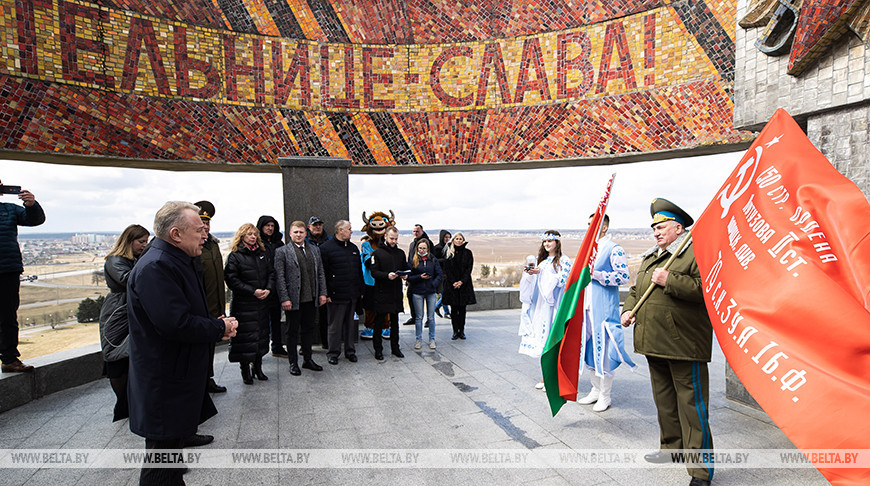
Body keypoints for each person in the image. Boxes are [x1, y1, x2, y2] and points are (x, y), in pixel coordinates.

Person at [127, 201, 237, 485]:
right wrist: (218, 327)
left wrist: (214, 325)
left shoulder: (173, 259)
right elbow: (174, 323)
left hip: (175, 376)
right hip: (165, 381)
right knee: (161, 466)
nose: (206, 235)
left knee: (170, 463)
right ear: (176, 234)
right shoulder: (156, 266)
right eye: (199, 229)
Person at [621, 198, 714, 486]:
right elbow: (638, 289)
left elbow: (706, 290)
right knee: (665, 401)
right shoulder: (652, 256)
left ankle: (701, 471)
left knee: (692, 406)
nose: (656, 233)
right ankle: (671, 449)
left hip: (684, 344)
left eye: (661, 227)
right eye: (654, 229)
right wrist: (628, 308)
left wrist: (670, 279)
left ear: (678, 227)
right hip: (654, 341)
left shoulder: (694, 253)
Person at [578, 215, 636, 412]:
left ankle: (605, 395)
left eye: (592, 224)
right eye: (587, 224)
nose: (589, 228)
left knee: (603, 353)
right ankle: (595, 389)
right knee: (589, 351)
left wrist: (598, 274)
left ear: (603, 227)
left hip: (603, 309)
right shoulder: (588, 250)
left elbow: (623, 277)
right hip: (586, 308)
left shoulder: (613, 249)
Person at [99, 224, 149, 421]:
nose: (144, 246)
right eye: (140, 242)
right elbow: (129, 279)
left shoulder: (136, 259)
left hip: (131, 309)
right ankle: (123, 404)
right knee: (116, 357)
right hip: (117, 312)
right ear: (129, 241)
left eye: (146, 242)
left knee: (130, 356)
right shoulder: (115, 260)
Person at [0, 180, 45, 373]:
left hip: (7, 269)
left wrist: (31, 205)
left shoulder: (10, 209)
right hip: (9, 268)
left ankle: (10, 359)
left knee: (8, 316)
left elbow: (35, 220)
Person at [518, 230, 571, 389]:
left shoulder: (564, 260)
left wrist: (543, 273)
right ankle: (546, 377)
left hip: (553, 305)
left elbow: (563, 281)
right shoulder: (541, 261)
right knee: (542, 341)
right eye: (545, 241)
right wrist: (530, 274)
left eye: (550, 241)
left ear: (557, 242)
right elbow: (534, 284)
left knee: (552, 341)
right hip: (539, 306)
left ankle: (553, 379)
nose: (547, 244)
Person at [275, 220, 327, 375]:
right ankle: (293, 362)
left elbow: (320, 273)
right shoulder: (282, 252)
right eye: (295, 232)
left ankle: (307, 359)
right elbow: (280, 277)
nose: (298, 235)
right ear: (290, 234)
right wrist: (285, 298)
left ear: (306, 233)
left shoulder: (314, 250)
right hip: (293, 300)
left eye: (301, 232)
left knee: (308, 329)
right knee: (292, 332)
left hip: (311, 298)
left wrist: (323, 293)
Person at [224, 223, 275, 385]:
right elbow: (232, 280)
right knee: (244, 339)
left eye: (254, 234)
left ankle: (258, 368)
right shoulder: (235, 255)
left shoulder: (263, 253)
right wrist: (252, 291)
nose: (253, 237)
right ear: (242, 236)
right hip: (244, 305)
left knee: (260, 336)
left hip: (261, 304)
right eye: (249, 234)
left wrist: (268, 289)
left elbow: (271, 273)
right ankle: (245, 369)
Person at [318, 220, 364, 364]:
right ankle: (333, 353)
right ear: (339, 230)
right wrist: (326, 293)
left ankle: (350, 351)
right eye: (349, 229)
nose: (351, 231)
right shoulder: (326, 248)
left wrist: (360, 290)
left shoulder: (353, 248)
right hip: (335, 295)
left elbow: (358, 271)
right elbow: (323, 273)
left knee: (350, 325)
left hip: (352, 294)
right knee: (335, 326)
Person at [194, 200, 227, 394]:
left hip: (215, 305)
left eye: (207, 223)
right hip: (201, 305)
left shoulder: (213, 245)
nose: (205, 226)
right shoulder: (193, 246)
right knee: (199, 347)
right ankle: (199, 381)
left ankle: (208, 378)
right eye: (201, 222)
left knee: (210, 347)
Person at [366, 226, 408, 360]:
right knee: (378, 322)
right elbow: (374, 272)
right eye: (391, 238)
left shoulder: (400, 253)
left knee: (395, 323)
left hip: (396, 293)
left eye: (396, 239)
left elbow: (405, 268)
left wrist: (405, 276)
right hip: (382, 293)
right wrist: (386, 276)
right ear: (385, 237)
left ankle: (395, 348)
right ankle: (378, 350)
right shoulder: (377, 253)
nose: (394, 241)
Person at [257, 215, 286, 358]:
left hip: (277, 288)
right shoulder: (257, 243)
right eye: (267, 226)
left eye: (272, 226)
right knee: (261, 322)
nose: (269, 228)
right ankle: (259, 350)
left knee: (276, 320)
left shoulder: (279, 243)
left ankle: (277, 346)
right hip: (262, 288)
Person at [407, 239, 443, 350]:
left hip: (430, 292)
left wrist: (433, 284)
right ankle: (418, 339)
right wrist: (419, 277)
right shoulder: (413, 260)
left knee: (431, 317)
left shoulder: (432, 259)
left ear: (428, 249)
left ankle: (432, 339)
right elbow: (409, 277)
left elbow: (439, 274)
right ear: (417, 249)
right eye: (420, 248)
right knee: (419, 317)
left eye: (424, 248)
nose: (422, 250)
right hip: (417, 292)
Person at [442, 232, 475, 340]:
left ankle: (462, 331)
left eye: (461, 239)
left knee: (462, 309)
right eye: (457, 239)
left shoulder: (468, 253)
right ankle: (455, 331)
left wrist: (461, 281)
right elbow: (447, 269)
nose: (459, 240)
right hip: (452, 285)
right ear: (453, 240)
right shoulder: (449, 252)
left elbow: (468, 269)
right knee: (454, 309)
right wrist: (454, 282)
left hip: (464, 285)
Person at [306, 216, 331, 349]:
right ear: (309, 227)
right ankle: (307, 345)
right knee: (307, 317)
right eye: (315, 225)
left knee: (325, 315)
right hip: (307, 284)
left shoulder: (329, 241)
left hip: (324, 282)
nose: (318, 227)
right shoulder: (303, 241)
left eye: (320, 224)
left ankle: (326, 342)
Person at [404, 224, 433, 325]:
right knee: (410, 295)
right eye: (414, 231)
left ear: (422, 231)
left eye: (417, 231)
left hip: (425, 276)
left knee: (427, 298)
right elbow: (410, 260)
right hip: (414, 276)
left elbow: (432, 259)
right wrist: (408, 276)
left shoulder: (428, 243)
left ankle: (429, 319)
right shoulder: (412, 244)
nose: (415, 233)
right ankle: (414, 317)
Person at [433, 230, 452, 319]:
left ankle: (438, 307)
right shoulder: (437, 248)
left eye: (448, 237)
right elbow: (434, 260)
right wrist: (445, 260)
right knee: (444, 293)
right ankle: (445, 311)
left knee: (446, 293)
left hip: (448, 274)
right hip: (440, 274)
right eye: (445, 237)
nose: (447, 239)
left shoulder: (449, 247)